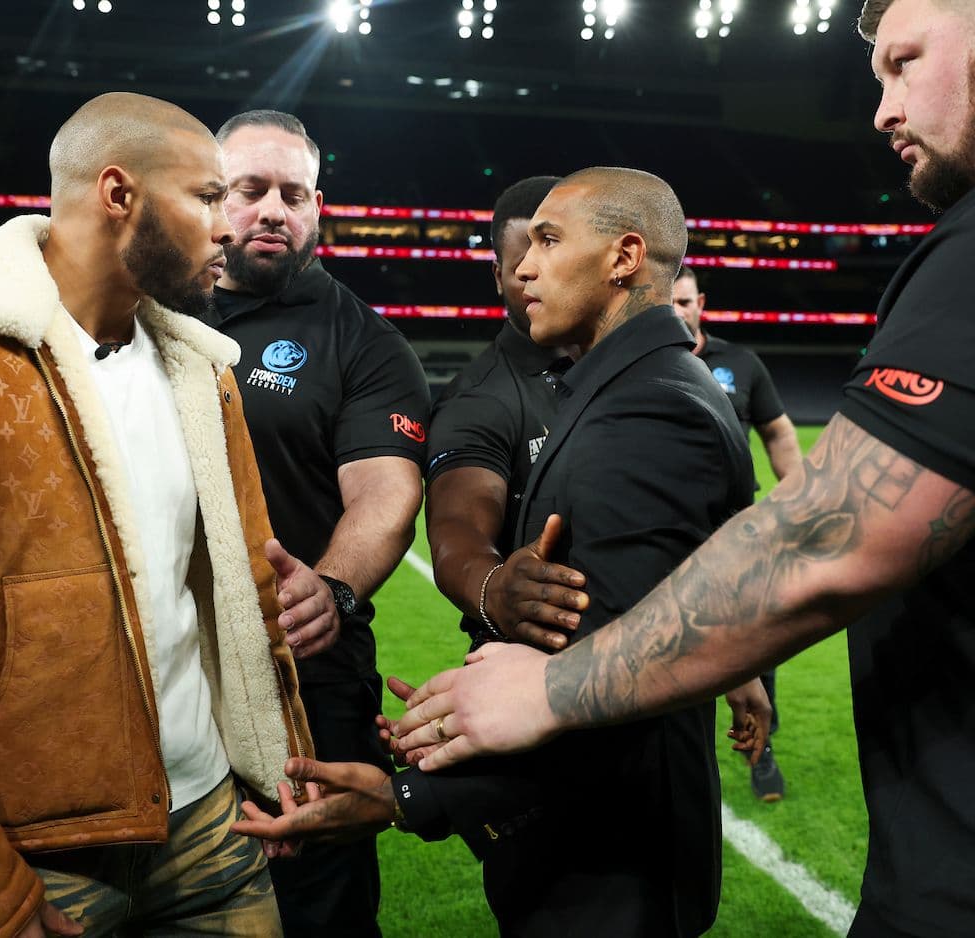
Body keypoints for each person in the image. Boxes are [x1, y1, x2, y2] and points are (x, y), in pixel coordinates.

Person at [391, 2, 975, 935]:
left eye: (906, 63)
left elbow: (825, 544)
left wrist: (432, 781)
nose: (882, 110)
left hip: (633, 848)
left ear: (626, 259)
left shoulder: (652, 400)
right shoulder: (628, 384)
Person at [0, 92, 326, 938]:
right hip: (39, 851)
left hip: (210, 828)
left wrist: (274, 764)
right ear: (118, 195)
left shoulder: (204, 370)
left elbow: (243, 592)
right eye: (205, 197)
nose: (228, 225)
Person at [235, 167, 771, 937]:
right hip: (593, 822)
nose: (524, 268)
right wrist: (486, 614)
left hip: (613, 846)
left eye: (549, 242)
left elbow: (612, 677)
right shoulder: (645, 388)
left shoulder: (651, 407)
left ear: (624, 258)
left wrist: (407, 797)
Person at [206, 109, 431, 937]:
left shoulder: (364, 342)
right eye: (250, 190)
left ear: (318, 207)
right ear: (209, 198)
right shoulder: (147, 311)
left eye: (292, 194)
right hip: (161, 668)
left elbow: (384, 491)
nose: (273, 210)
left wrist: (330, 588)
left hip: (305, 670)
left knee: (316, 905)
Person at [426, 175, 590, 654]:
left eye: (552, 254)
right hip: (524, 666)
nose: (533, 273)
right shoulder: (478, 398)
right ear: (497, 276)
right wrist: (494, 588)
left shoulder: (623, 374)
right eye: (519, 264)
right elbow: (458, 529)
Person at [673, 264, 802, 801]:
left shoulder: (740, 363)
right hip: (672, 532)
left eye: (685, 302)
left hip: (738, 530)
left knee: (753, 642)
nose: (678, 311)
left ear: (701, 302)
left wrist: (797, 502)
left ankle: (761, 754)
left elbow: (777, 431)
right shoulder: (644, 365)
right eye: (668, 303)